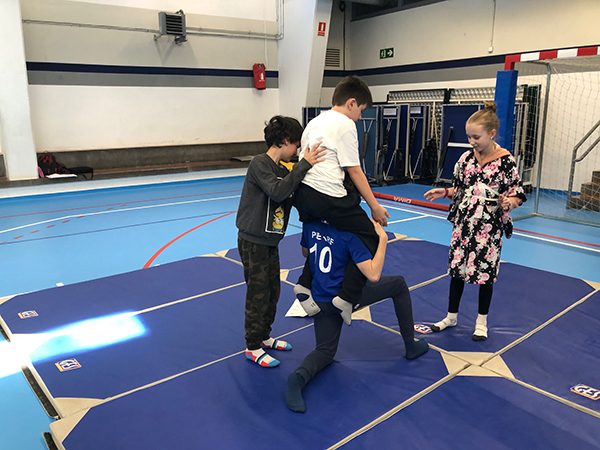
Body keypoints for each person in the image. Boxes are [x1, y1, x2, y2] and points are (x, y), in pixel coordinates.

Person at [285, 219, 429, 413]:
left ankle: (298, 378)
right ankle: (410, 344)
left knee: (325, 351)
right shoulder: (350, 232)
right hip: (346, 296)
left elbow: (306, 252)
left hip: (319, 298)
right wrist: (382, 239)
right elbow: (373, 275)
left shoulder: (311, 225)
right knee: (399, 285)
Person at [424, 101, 526, 341]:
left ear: (491, 133)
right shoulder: (466, 159)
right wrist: (444, 192)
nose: (472, 141)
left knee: (485, 274)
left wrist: (509, 203)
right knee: (457, 271)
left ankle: (481, 322)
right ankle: (451, 316)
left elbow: (518, 194)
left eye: (476, 137)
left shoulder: (506, 161)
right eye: (469, 137)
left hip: (488, 228)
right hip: (464, 225)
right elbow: (460, 190)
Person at [293, 76, 390, 325]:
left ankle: (304, 283)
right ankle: (347, 297)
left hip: (303, 194)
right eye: (361, 111)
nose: (359, 117)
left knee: (322, 231)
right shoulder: (345, 124)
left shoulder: (314, 122)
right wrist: (375, 207)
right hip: (327, 196)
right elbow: (354, 170)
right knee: (370, 236)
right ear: (351, 103)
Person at [236, 116, 325, 368]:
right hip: (253, 241)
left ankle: (264, 336)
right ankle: (252, 346)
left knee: (273, 291)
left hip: (269, 242)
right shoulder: (259, 164)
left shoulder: (283, 170)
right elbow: (277, 191)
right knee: (258, 293)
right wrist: (304, 165)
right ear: (285, 141)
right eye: (295, 145)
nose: (296, 151)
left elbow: (292, 193)